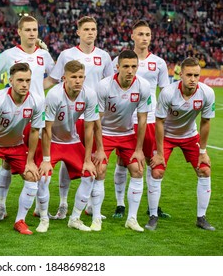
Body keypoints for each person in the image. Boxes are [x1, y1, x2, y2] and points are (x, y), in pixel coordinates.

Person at [43, 16, 114, 219]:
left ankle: (91, 205)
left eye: (93, 29)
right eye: (86, 29)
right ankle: (64, 203)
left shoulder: (104, 56)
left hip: (93, 114)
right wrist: (34, 91)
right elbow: (53, 80)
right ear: (78, 32)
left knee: (94, 160)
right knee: (67, 158)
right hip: (69, 114)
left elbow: (110, 84)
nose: (90, 32)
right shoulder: (67, 55)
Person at [0, 15, 55, 221]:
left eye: (35, 30)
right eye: (28, 30)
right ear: (19, 32)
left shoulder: (44, 55)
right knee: (7, 162)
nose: (32, 33)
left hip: (35, 114)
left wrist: (38, 91)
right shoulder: (9, 55)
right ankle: (1, 207)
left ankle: (39, 207)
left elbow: (55, 76)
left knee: (38, 161)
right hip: (13, 116)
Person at [0, 63, 44, 235]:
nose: (24, 84)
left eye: (28, 80)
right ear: (11, 80)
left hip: (16, 145)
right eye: (20, 80)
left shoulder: (36, 100)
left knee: (32, 177)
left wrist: (30, 162)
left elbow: (35, 131)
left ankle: (20, 220)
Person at [37, 60, 106, 233]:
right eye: (73, 77)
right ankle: (44, 218)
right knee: (43, 176)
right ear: (64, 78)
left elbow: (90, 128)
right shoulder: (53, 95)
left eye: (81, 77)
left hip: (72, 141)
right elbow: (47, 129)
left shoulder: (89, 94)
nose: (78, 81)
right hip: (51, 141)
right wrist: (46, 159)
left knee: (89, 174)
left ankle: (74, 218)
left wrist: (88, 159)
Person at [111, 20, 170, 219]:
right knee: (122, 161)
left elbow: (164, 92)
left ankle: (154, 207)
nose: (144, 38)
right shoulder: (120, 60)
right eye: (140, 34)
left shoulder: (159, 63)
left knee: (151, 161)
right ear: (132, 36)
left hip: (150, 118)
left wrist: (164, 117)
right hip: (127, 119)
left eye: (148, 34)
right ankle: (120, 204)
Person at [149, 57, 215, 231]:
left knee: (205, 169)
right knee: (157, 172)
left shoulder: (207, 93)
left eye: (196, 75)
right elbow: (160, 122)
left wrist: (203, 151)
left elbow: (205, 122)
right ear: (180, 74)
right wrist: (160, 153)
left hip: (190, 136)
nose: (193, 79)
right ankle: (153, 216)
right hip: (167, 136)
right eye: (189, 75)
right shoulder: (168, 93)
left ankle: (201, 218)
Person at [91, 50, 151, 232]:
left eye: (134, 66)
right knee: (100, 169)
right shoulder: (104, 86)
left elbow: (142, 119)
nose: (130, 70)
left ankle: (132, 219)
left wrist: (139, 150)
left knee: (138, 169)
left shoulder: (143, 86)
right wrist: (99, 148)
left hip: (127, 134)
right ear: (117, 67)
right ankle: (95, 218)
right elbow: (96, 120)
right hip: (105, 133)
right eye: (126, 66)